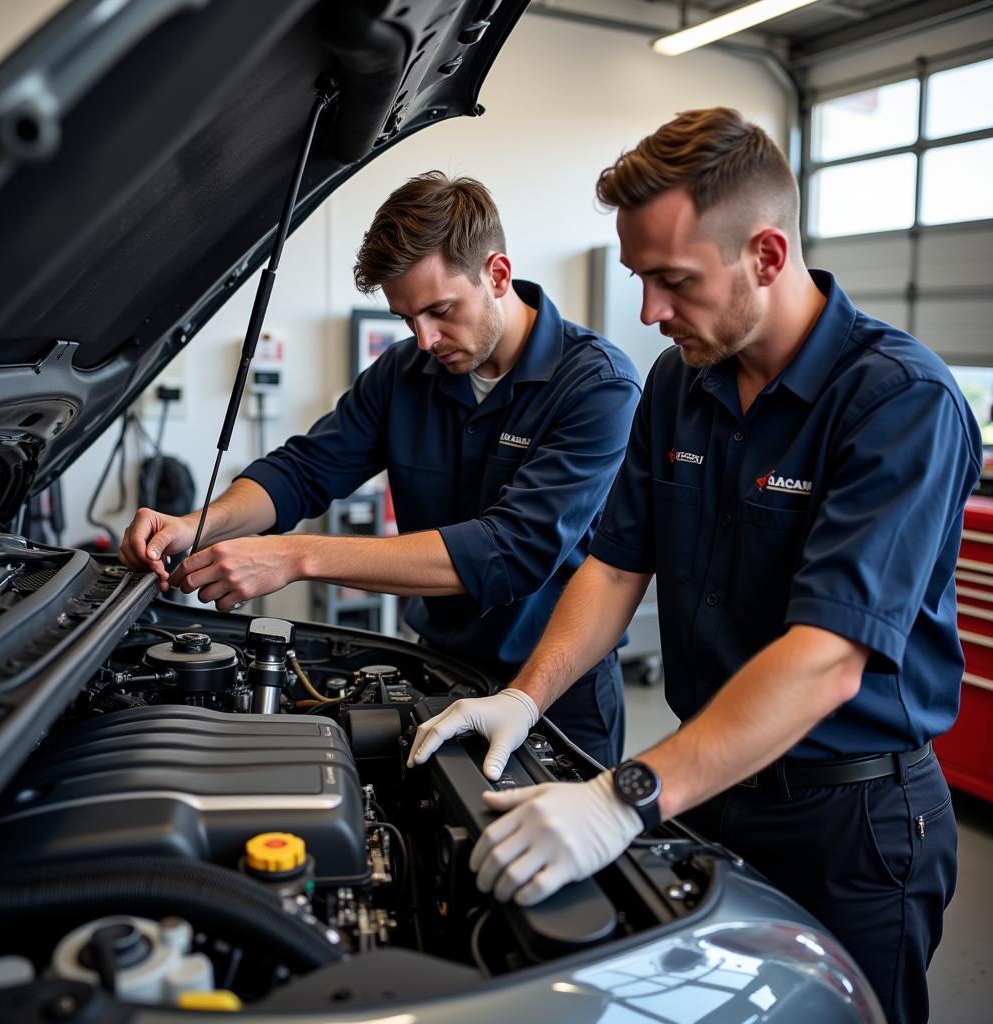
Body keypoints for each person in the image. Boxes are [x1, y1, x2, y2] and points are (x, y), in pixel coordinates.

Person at [408, 110, 981, 1023]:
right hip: (711, 790)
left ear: (765, 253)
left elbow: (827, 656)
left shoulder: (898, 402)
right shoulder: (682, 381)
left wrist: (622, 796)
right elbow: (613, 566)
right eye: (640, 279)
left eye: (672, 281)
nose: (649, 312)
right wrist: (527, 694)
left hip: (851, 820)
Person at [118, 171, 642, 768]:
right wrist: (198, 524)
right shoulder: (404, 373)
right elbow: (305, 469)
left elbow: (509, 551)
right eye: (407, 318)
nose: (424, 339)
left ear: (497, 274)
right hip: (441, 667)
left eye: (440, 310)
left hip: (557, 691)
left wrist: (296, 556)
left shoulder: (597, 385)